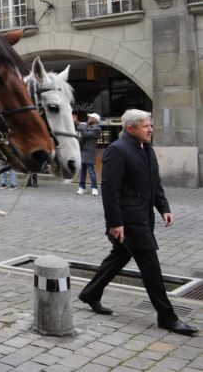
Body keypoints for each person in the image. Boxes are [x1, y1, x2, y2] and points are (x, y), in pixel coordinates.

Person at [78, 109, 198, 336]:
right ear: (131, 128)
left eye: (150, 125)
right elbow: (110, 191)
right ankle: (167, 317)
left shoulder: (146, 148)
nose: (151, 129)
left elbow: (155, 183)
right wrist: (115, 223)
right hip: (128, 222)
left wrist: (164, 208)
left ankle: (91, 293)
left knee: (120, 256)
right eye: (145, 126)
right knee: (150, 266)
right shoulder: (117, 150)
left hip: (144, 218)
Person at [77, 112, 102, 195]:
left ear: (95, 120)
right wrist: (79, 124)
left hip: (89, 152)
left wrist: (81, 125)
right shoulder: (86, 127)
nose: (88, 119)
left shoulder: (97, 129)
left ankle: (94, 188)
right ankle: (82, 187)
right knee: (82, 171)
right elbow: (81, 130)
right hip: (83, 151)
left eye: (90, 117)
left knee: (91, 171)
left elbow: (86, 134)